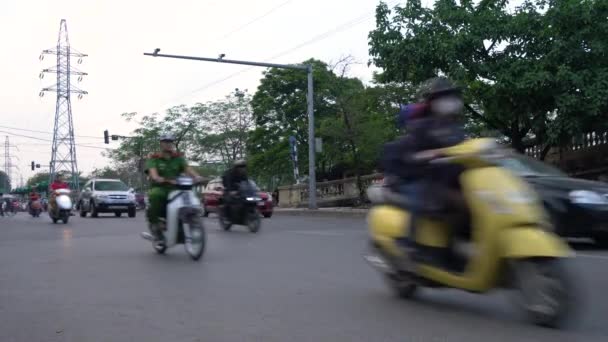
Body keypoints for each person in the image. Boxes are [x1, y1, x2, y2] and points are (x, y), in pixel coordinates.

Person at [381, 77, 467, 260]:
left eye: (450, 98)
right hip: (428, 178)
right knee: (420, 198)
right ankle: (410, 243)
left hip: (451, 178)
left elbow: (466, 147)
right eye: (443, 98)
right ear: (433, 102)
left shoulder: (456, 129)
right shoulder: (422, 126)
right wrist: (427, 155)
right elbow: (410, 154)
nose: (448, 102)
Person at [145, 134, 202, 244]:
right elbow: (152, 172)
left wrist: (197, 176)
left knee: (190, 197)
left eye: (170, 142)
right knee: (155, 196)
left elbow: (188, 169)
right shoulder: (154, 158)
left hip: (177, 188)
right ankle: (156, 224)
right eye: (165, 142)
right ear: (161, 143)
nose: (168, 144)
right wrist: (157, 178)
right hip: (160, 187)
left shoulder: (179, 158)